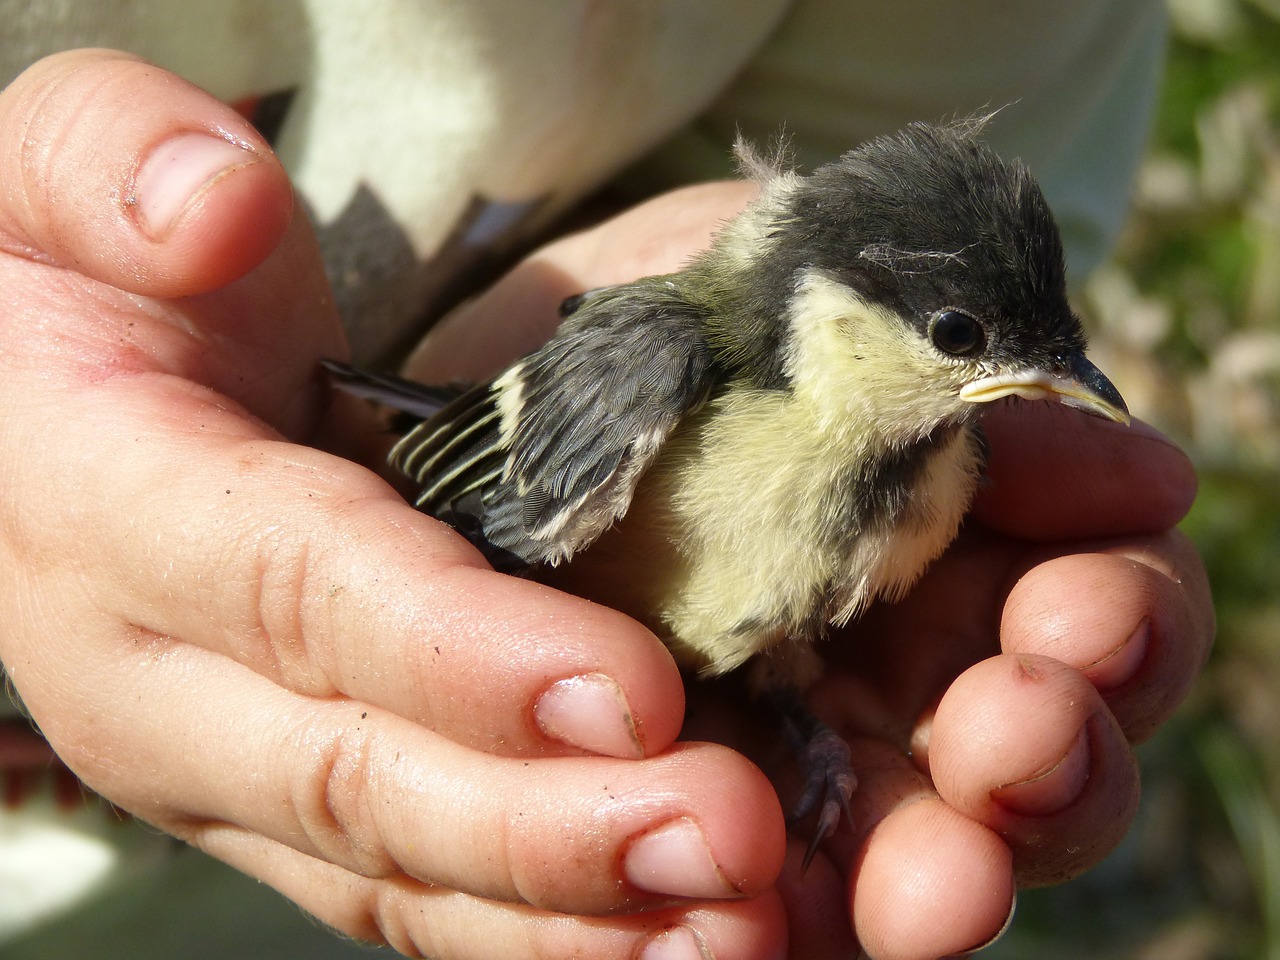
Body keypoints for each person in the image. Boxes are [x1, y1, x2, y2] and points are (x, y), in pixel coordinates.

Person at [0, 3, 1213, 959]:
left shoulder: (943, 462)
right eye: (962, 343)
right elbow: (458, 485)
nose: (1013, 384)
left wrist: (805, 733)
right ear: (830, 311)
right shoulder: (665, 381)